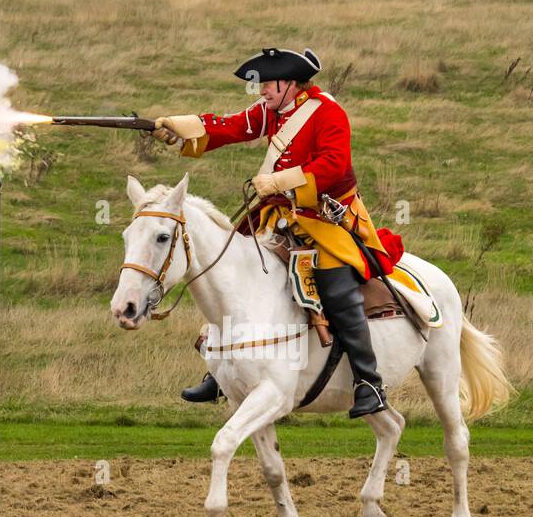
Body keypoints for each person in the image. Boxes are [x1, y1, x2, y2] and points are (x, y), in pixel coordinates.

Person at [152, 47, 404, 417]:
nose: (261, 92)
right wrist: (178, 127)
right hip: (281, 217)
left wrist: (280, 180)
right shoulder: (271, 111)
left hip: (326, 220)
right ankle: (220, 373)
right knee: (236, 277)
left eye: (268, 84)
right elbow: (233, 126)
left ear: (289, 84)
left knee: (335, 289)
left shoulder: (328, 114)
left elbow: (335, 167)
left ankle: (368, 383)